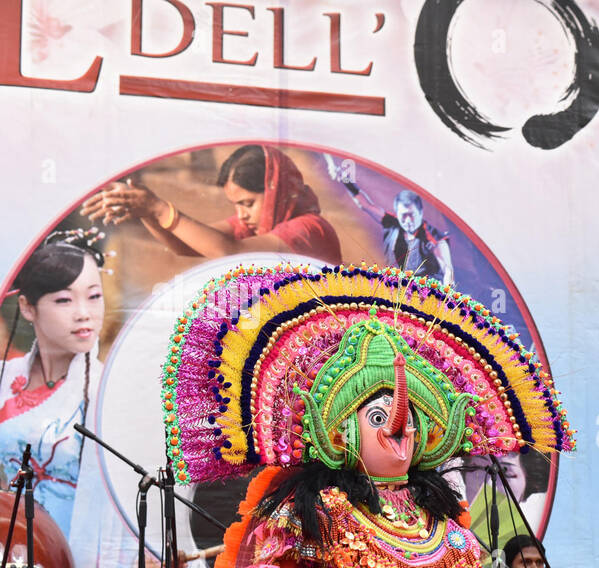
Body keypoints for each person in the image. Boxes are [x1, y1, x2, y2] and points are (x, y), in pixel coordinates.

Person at [166, 262, 577, 568]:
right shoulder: (310, 509)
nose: (398, 432)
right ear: (339, 430)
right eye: (379, 418)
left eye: (409, 420)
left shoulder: (443, 523)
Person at [0, 230, 105, 532]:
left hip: (78, 552)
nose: (84, 314)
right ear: (27, 307)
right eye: (64, 300)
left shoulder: (106, 389)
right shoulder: (5, 378)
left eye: (94, 297)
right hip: (13, 543)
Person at [79, 144, 342, 264]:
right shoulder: (254, 226)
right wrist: (144, 210)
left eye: (248, 203)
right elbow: (183, 245)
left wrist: (157, 208)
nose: (241, 215)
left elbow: (228, 251)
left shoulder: (309, 229)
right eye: (236, 205)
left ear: (277, 191)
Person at [336, 180, 453, 283]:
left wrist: (445, 298)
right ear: (397, 213)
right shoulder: (392, 222)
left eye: (411, 215)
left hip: (423, 296)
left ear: (421, 212)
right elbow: (365, 205)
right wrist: (347, 182)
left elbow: (448, 270)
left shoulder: (435, 238)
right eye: (403, 215)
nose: (408, 220)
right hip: (393, 290)